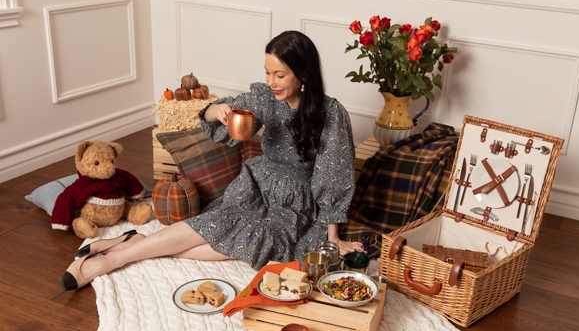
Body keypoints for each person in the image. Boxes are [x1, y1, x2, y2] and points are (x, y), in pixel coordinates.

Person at [61, 30, 365, 291]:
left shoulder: (330, 113)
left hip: (294, 204)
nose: (272, 81)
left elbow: (333, 177)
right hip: (257, 187)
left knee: (252, 246)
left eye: (280, 74)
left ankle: (134, 244)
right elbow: (213, 110)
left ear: (304, 74)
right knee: (216, 225)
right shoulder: (264, 98)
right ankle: (112, 259)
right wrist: (215, 112)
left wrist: (332, 236)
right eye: (267, 72)